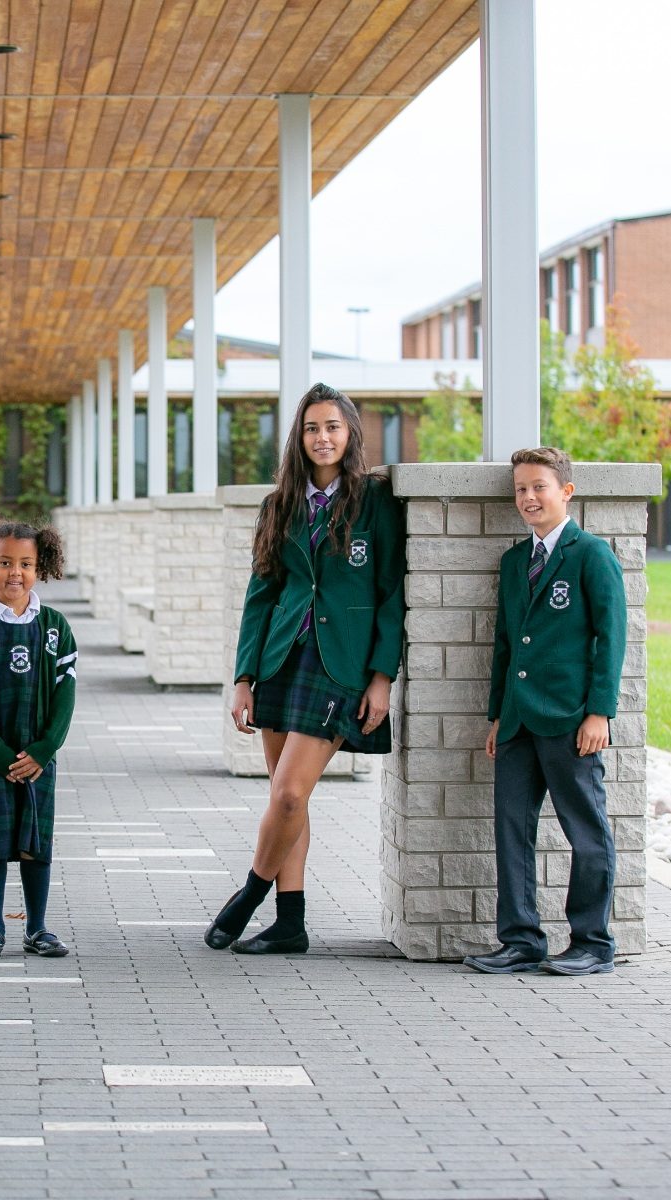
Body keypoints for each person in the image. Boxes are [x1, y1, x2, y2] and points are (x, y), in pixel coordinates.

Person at [208, 383, 404, 955]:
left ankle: (247, 897)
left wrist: (381, 677)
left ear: (351, 435)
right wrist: (244, 676)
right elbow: (261, 594)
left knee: (290, 793)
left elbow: (391, 594)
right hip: (281, 658)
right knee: (283, 797)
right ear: (300, 437)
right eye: (313, 428)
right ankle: (290, 923)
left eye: (333, 427)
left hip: (339, 665)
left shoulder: (374, 502)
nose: (323, 438)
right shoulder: (280, 505)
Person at [464, 446, 626, 977]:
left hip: (570, 719)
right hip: (516, 722)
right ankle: (521, 938)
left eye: (539, 487)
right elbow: (506, 643)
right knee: (511, 827)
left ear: (566, 492)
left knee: (585, 828)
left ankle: (592, 941)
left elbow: (611, 638)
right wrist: (496, 715)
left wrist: (599, 713)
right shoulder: (515, 562)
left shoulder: (591, 555)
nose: (528, 498)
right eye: (520, 489)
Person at [0, 519, 78, 960]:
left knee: (35, 842)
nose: (15, 573)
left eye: (25, 564)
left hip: (38, 758)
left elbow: (66, 694)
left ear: (39, 566)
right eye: (5, 563)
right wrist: (0, 755)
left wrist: (44, 749)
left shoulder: (55, 627)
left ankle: (38, 928)